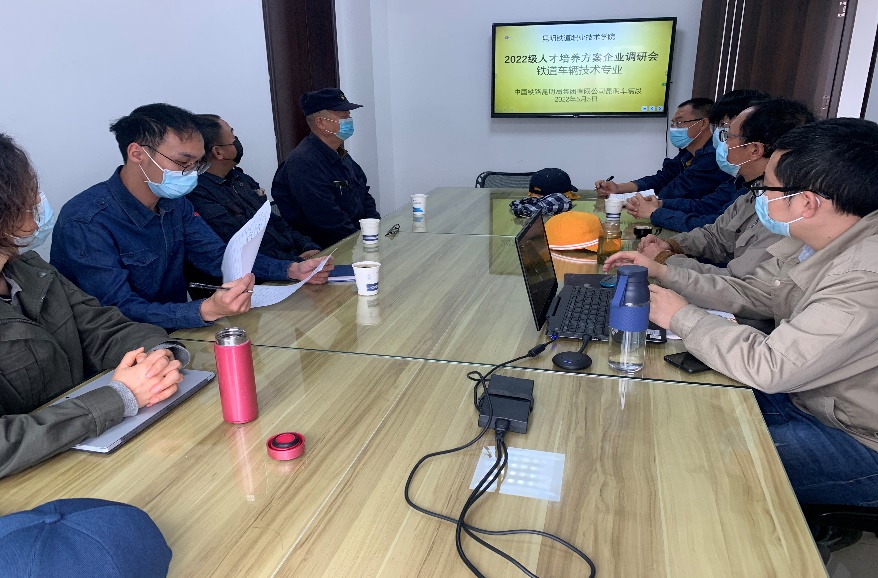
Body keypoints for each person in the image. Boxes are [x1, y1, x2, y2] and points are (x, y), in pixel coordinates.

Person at [605, 118, 878, 506]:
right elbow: (755, 292)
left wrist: (681, 316)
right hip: (808, 397)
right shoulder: (822, 242)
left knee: (691, 457)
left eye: (767, 188)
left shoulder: (864, 276)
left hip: (857, 439)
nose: (759, 197)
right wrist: (665, 273)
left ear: (806, 202)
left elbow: (771, 366)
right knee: (677, 407)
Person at [51, 104, 332, 333]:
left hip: (175, 333)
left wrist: (291, 270)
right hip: (119, 351)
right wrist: (204, 310)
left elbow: (218, 257)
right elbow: (116, 310)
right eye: (183, 163)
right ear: (137, 153)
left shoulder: (176, 205)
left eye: (197, 164)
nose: (192, 173)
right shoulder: (87, 221)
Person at [0, 133, 186, 479]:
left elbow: (103, 326)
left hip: (90, 444)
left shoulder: (30, 269)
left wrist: (155, 356)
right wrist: (120, 397)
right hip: (34, 480)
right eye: (28, 192)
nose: (39, 200)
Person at [638, 99, 815, 278]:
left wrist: (664, 260)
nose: (723, 145)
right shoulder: (754, 189)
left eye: (728, 136)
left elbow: (737, 281)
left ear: (755, 150)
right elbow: (717, 236)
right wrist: (672, 245)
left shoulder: (788, 210)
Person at [186, 115, 322, 297]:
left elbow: (275, 222)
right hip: (251, 286)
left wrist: (306, 246)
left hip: (289, 269)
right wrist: (293, 262)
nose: (237, 141)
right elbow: (239, 250)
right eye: (232, 136)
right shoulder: (197, 195)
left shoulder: (241, 180)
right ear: (218, 152)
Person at [624, 89, 770, 232]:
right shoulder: (739, 178)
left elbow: (716, 227)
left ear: (755, 148)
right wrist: (660, 204)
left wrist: (656, 212)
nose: (722, 141)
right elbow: (707, 206)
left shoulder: (767, 189)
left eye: (727, 133)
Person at [271, 88, 380, 248]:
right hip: (326, 250)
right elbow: (328, 220)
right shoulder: (303, 163)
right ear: (321, 123)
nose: (349, 120)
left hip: (357, 241)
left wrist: (374, 229)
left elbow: (364, 196)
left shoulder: (340, 154)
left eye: (349, 116)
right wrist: (362, 242)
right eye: (343, 117)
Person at [594, 98, 728, 202]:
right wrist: (618, 188)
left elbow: (676, 191)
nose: (674, 128)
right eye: (673, 123)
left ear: (703, 123)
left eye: (680, 122)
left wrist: (636, 200)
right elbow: (662, 179)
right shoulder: (687, 154)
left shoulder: (713, 156)